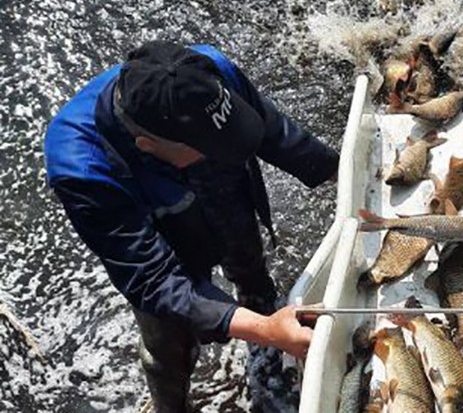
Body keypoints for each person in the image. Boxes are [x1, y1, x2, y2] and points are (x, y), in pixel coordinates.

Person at [44, 41, 339, 412]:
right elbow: (154, 280)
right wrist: (265, 330)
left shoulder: (204, 71)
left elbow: (271, 131)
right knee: (168, 341)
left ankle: (262, 316)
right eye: (217, 142)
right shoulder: (82, 168)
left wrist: (345, 175)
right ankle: (172, 405)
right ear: (146, 145)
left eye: (230, 133)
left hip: (220, 187)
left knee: (249, 264)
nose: (231, 143)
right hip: (155, 219)